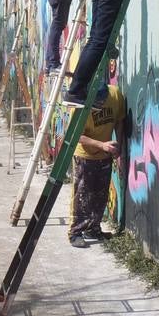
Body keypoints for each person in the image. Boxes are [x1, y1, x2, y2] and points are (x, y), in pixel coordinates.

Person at [68, 51, 124, 248]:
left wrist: (120, 148)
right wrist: (102, 145)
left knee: (100, 194)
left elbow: (119, 121)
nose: (98, 105)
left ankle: (94, 228)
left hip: (105, 154)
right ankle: (75, 232)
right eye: (95, 102)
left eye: (101, 100)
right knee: (82, 195)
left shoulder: (115, 95)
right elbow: (77, 136)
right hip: (85, 155)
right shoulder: (81, 106)